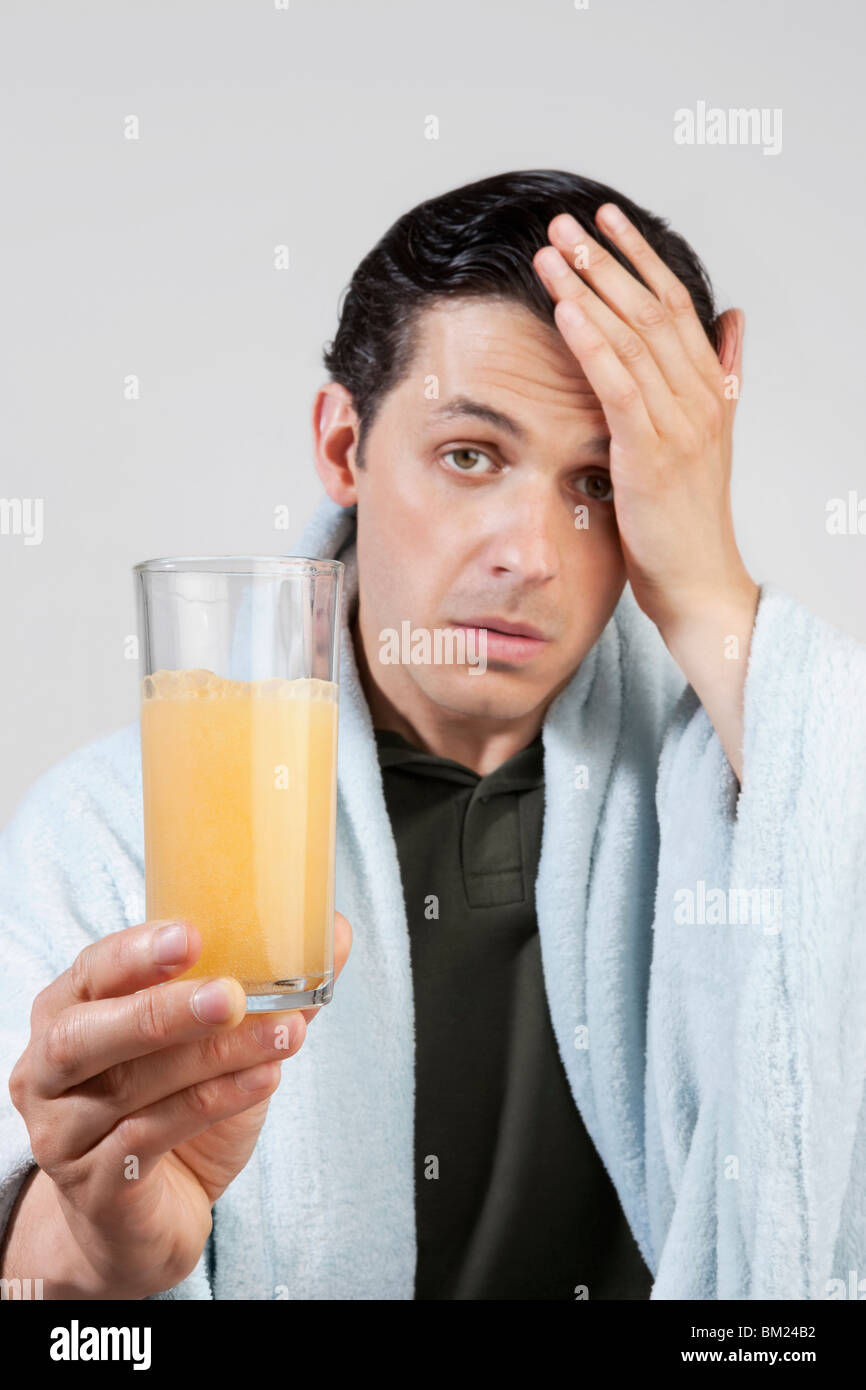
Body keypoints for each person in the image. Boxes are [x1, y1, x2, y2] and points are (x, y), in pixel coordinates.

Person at [1, 170, 864, 1300]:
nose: (530, 554)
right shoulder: (119, 833)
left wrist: (705, 588)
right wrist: (106, 1251)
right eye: (470, 455)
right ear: (342, 445)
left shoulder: (760, 796)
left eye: (599, 480)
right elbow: (50, 1316)